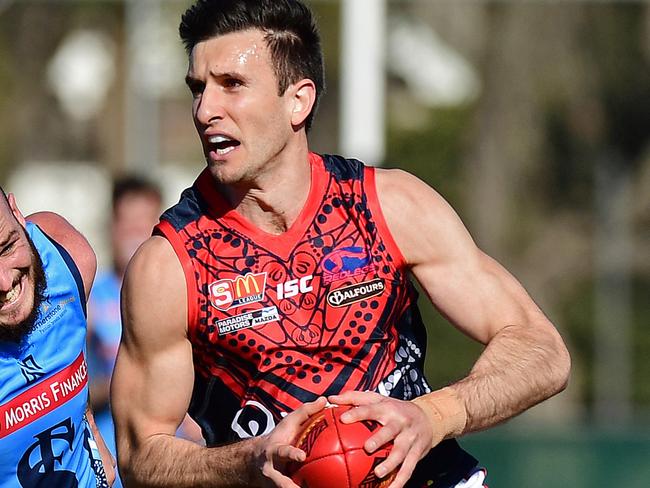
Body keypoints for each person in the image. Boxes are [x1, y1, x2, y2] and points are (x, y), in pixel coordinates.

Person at [111, 1, 571, 487]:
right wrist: (247, 460)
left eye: (233, 84)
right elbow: (140, 456)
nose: (205, 110)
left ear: (299, 101)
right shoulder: (170, 264)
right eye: (198, 88)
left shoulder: (386, 205)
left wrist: (433, 417)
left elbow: (541, 350)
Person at [0, 188, 115, 487]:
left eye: (7, 247)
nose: (4, 281)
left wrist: (88, 421)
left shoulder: (68, 255)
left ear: (17, 214)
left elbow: (71, 345)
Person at [87, 176, 163, 487]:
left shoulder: (176, 298)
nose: (134, 233)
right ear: (112, 227)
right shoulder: (87, 299)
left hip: (166, 462)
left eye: (144, 222)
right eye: (126, 222)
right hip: (108, 464)